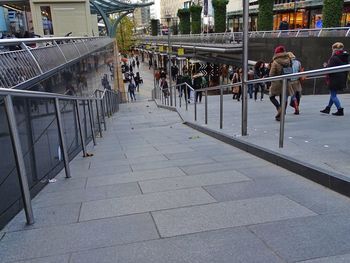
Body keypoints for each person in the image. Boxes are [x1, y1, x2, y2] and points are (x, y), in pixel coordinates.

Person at [320, 42, 348, 116]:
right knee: (333, 94)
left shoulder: (334, 58)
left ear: (334, 49)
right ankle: (328, 108)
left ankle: (340, 109)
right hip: (341, 78)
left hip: (334, 78)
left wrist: (325, 66)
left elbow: (329, 69)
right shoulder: (344, 56)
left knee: (333, 95)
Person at [269, 45, 292, 121]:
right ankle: (281, 114)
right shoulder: (289, 59)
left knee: (271, 97)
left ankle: (279, 108)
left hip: (277, 82)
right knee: (283, 98)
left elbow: (271, 74)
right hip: (286, 81)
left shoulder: (276, 61)